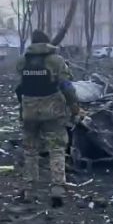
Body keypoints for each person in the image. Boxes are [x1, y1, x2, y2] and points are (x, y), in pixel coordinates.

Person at [15, 30, 81, 204]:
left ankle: (29, 190)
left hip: (29, 112)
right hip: (53, 111)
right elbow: (66, 86)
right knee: (56, 148)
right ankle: (57, 188)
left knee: (30, 151)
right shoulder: (56, 60)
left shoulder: (22, 61)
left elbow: (20, 87)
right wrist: (74, 106)